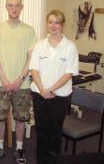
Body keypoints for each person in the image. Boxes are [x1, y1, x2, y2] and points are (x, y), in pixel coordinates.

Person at [0, 0, 37, 164]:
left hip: (21, 84)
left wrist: (20, 78)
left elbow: (31, 57)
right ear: (6, 7)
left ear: (21, 7)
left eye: (17, 5)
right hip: (1, 83)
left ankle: (19, 148)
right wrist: (4, 79)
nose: (14, 9)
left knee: (21, 119)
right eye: (11, 5)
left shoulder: (29, 30)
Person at [29, 10, 79, 164]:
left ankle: (52, 161)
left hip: (59, 97)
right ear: (47, 24)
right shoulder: (40, 45)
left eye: (57, 22)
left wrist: (50, 90)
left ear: (62, 25)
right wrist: (43, 91)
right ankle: (41, 160)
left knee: (55, 133)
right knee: (41, 131)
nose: (53, 25)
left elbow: (68, 74)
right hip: (39, 95)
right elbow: (34, 69)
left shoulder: (70, 46)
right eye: (50, 22)